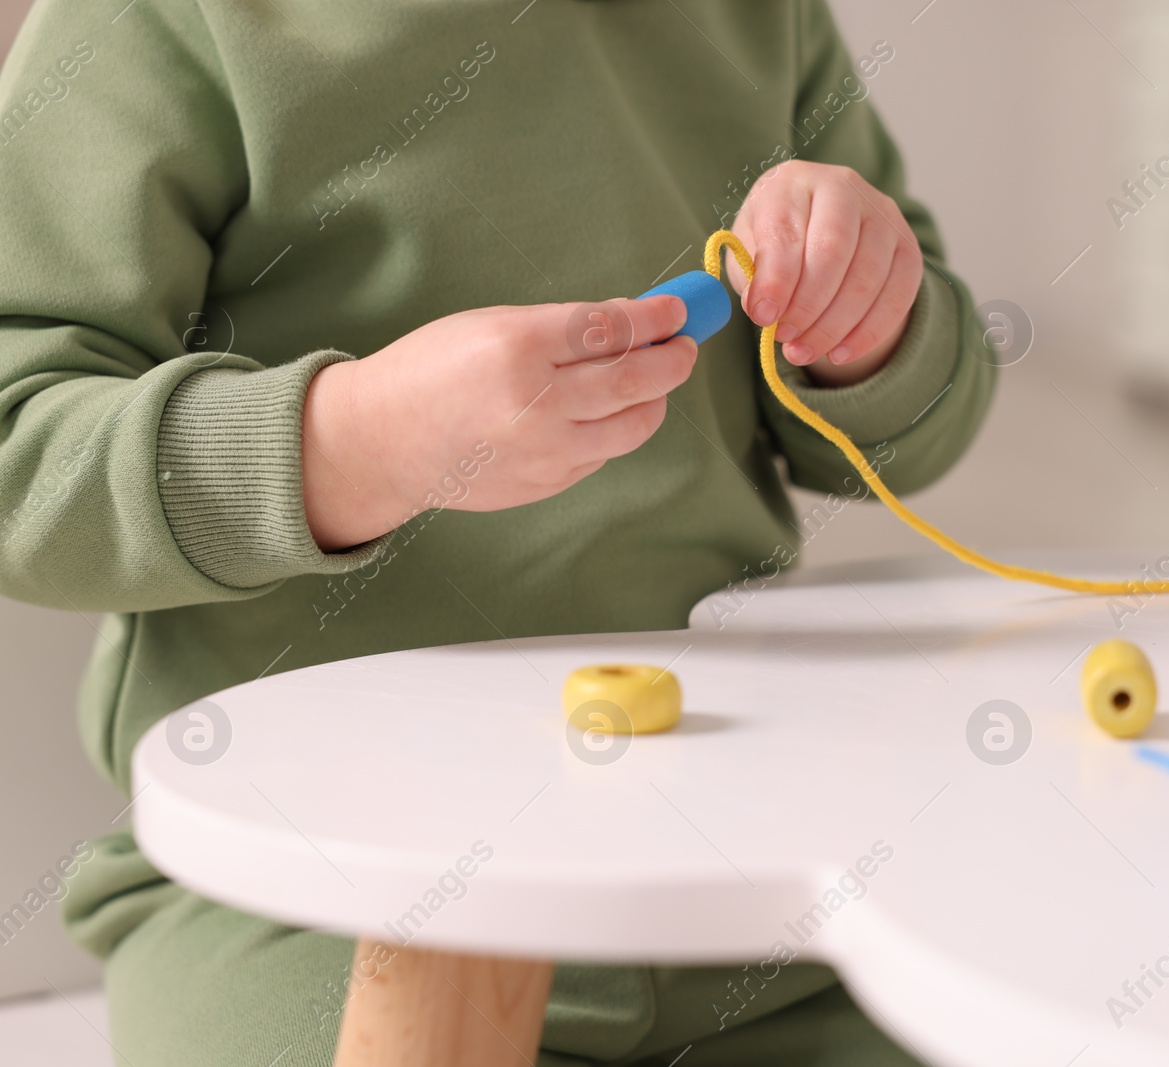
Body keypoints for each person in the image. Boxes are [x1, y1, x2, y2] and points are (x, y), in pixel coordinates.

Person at [0, 1, 993, 1063]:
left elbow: (912, 432)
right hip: (305, 889)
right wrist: (349, 448)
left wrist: (869, 325)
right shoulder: (160, 21)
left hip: (736, 856)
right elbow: (21, 457)